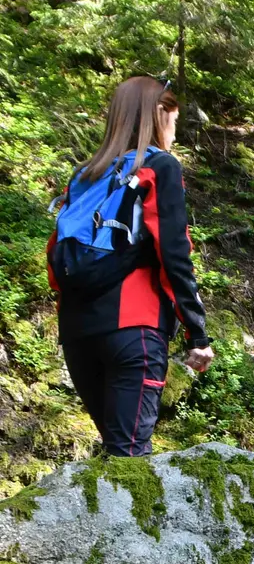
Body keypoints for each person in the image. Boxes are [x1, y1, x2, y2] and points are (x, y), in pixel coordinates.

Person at [46, 76, 213, 456]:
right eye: (173, 118)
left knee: (117, 454)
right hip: (134, 329)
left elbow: (58, 258)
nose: (174, 129)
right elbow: (174, 253)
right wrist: (196, 334)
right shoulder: (160, 166)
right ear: (159, 115)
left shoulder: (84, 174)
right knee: (130, 461)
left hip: (78, 332)